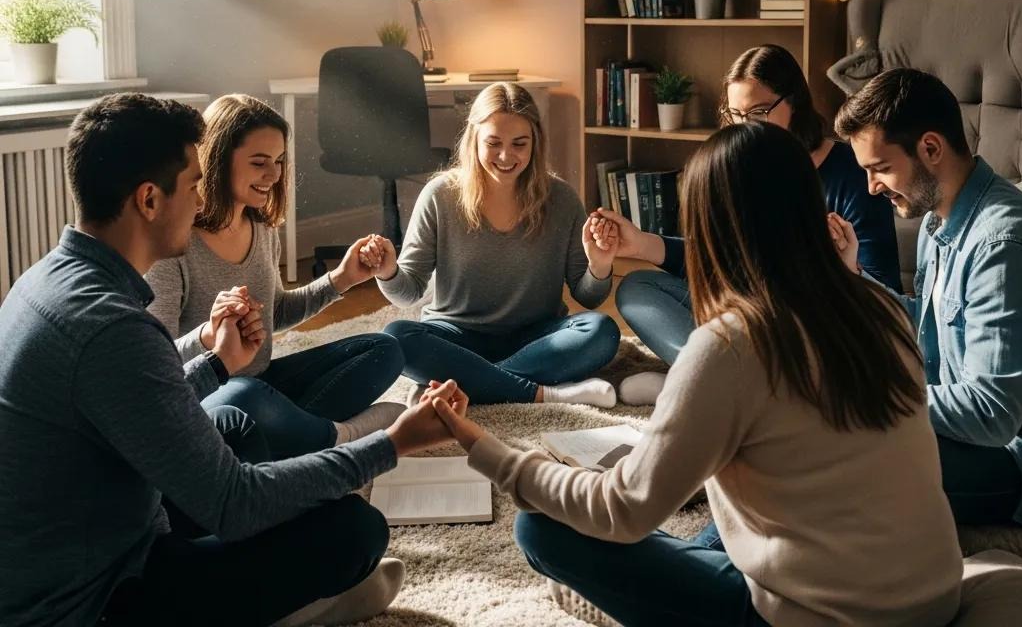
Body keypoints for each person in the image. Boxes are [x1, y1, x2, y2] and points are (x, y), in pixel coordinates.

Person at [426, 122, 964, 627]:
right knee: (730, 516)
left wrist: (488, 448)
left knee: (541, 525)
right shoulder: (881, 306)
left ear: (711, 226)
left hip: (815, 614)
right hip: (935, 592)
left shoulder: (731, 346)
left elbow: (622, 510)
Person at [0, 92, 460, 627]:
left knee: (232, 423)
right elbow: (235, 505)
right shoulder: (113, 325)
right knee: (355, 530)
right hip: (97, 596)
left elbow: (141, 400)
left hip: (107, 520)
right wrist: (394, 443)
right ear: (149, 200)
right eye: (194, 185)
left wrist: (218, 363)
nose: (201, 202)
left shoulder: (47, 279)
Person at [608, 43, 901, 404]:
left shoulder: (853, 173)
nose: (745, 128)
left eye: (759, 112)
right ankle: (717, 383)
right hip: (744, 318)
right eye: (735, 115)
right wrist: (640, 244)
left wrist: (839, 265)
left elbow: (882, 292)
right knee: (638, 288)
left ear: (795, 103)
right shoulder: (736, 167)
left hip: (807, 327)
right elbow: (716, 261)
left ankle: (701, 386)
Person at [147, 94, 404, 459]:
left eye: (279, 161)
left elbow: (275, 314)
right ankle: (340, 437)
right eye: (259, 162)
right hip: (210, 396)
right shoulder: (175, 244)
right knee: (243, 396)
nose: (274, 174)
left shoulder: (261, 229)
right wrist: (209, 334)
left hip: (263, 386)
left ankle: (288, 435)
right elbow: (157, 362)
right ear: (218, 159)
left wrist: (343, 278)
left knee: (385, 349)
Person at [834, 67, 1022, 525]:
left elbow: (993, 413)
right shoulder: (937, 221)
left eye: (880, 168)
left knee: (831, 447)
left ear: (931, 148)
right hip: (967, 439)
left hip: (1007, 465)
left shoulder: (1000, 244)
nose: (872, 187)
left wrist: (872, 395)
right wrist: (849, 278)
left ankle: (703, 574)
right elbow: (930, 323)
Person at [362, 82, 621, 406]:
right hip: (456, 336)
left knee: (602, 332)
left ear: (535, 142)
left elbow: (588, 297)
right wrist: (387, 272)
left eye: (519, 144)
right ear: (474, 139)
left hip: (537, 337)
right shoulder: (440, 195)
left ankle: (469, 384)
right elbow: (409, 292)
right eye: (493, 142)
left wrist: (599, 264)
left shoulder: (562, 199)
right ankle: (536, 391)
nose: (505, 156)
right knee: (397, 338)